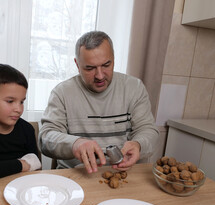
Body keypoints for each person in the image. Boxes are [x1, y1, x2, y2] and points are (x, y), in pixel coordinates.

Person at [39, 31, 159, 174]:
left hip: (124, 175)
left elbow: (148, 130)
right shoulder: (62, 93)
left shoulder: (134, 88)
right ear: (77, 64)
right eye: (90, 68)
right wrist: (75, 144)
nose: (100, 76)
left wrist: (138, 144)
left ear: (114, 59)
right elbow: (46, 138)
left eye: (106, 65)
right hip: (77, 176)